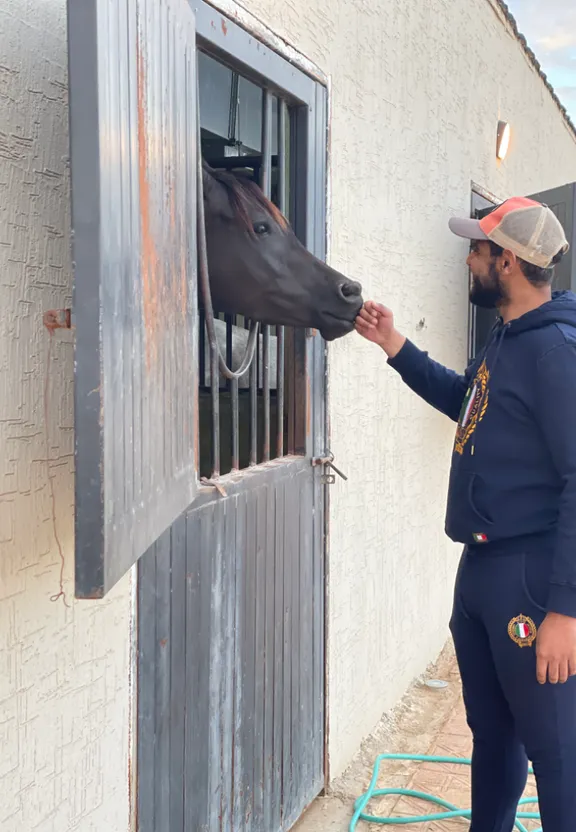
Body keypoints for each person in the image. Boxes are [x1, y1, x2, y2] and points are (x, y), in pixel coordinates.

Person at [355, 196, 576, 832]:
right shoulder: (507, 341)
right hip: (481, 569)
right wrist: (393, 343)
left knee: (556, 754)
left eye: (476, 249)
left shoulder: (556, 352)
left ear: (507, 260)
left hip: (530, 581)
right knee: (492, 734)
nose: (468, 260)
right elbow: (465, 400)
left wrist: (564, 608)